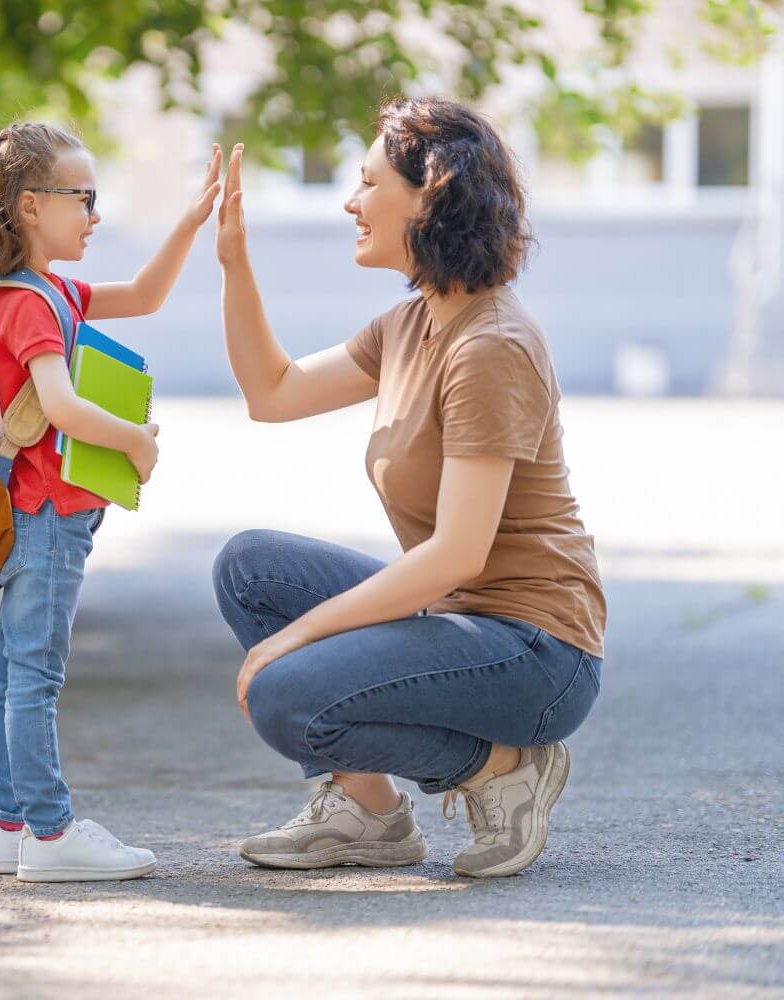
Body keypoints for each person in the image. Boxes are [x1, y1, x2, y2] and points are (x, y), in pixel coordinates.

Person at [210, 97, 607, 878]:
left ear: (430, 194)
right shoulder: (410, 324)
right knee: (250, 567)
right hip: (464, 620)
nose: (350, 202)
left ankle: (502, 767)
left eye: (367, 182)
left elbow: (456, 554)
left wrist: (297, 636)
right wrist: (234, 262)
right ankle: (370, 813)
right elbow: (274, 392)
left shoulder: (491, 345)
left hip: (537, 651)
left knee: (288, 694)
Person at [0, 122, 221, 881]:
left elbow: (143, 295)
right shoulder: (32, 303)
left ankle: (9, 826)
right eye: (85, 198)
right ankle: (51, 833)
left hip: (28, 513)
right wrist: (136, 441)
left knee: (8, 670)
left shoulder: (41, 291)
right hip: (46, 516)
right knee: (34, 674)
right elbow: (61, 406)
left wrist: (191, 220)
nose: (95, 216)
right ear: (31, 205)